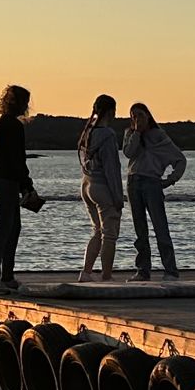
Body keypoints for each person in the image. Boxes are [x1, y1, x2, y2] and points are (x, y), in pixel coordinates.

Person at [0, 84, 44, 287]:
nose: (27, 106)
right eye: (25, 102)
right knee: (4, 229)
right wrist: (27, 185)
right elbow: (17, 159)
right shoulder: (14, 126)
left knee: (11, 227)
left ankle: (5, 276)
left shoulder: (1, 123)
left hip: (0, 178)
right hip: (5, 180)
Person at [122, 102, 186, 281]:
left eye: (140, 115)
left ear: (148, 116)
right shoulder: (130, 134)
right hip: (133, 182)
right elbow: (128, 153)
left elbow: (180, 159)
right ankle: (143, 270)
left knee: (160, 227)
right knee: (139, 229)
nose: (137, 119)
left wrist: (170, 180)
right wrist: (136, 132)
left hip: (152, 182)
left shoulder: (159, 136)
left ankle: (170, 270)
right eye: (133, 116)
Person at [76, 94, 125, 282]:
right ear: (112, 111)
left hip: (86, 184)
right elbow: (112, 168)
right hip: (102, 187)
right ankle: (106, 275)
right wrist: (118, 197)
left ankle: (86, 272)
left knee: (97, 230)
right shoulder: (108, 135)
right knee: (109, 234)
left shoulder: (88, 133)